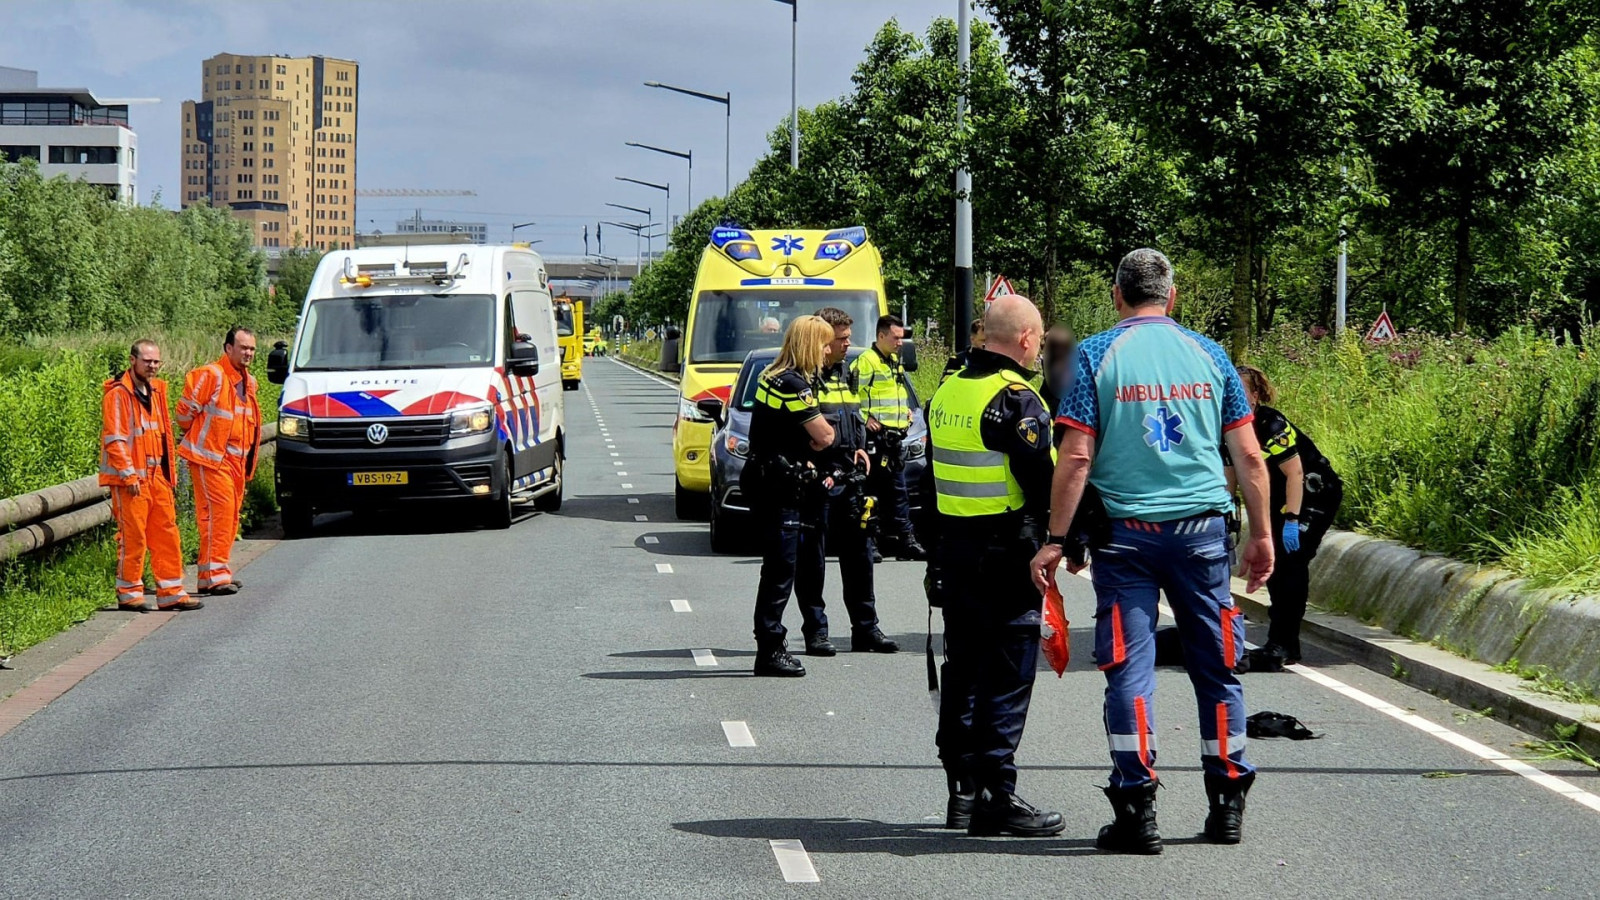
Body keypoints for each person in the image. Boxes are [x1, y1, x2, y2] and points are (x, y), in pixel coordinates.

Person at [1030, 248, 1274, 853]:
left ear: (1117, 296)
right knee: (1217, 668)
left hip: (1127, 539)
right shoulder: (1211, 355)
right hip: (1202, 535)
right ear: (1173, 295)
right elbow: (1248, 456)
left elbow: (1077, 457)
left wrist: (1057, 539)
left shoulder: (1092, 356)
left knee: (1129, 672)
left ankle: (1137, 811)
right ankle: (1227, 805)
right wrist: (1263, 534)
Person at [924, 294, 1064, 837]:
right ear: (1028, 340)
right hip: (1005, 555)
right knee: (1005, 676)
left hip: (954, 551)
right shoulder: (1016, 400)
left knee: (963, 671)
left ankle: (962, 788)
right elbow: (1046, 485)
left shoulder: (948, 388)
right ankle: (995, 796)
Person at [1228, 365, 1344, 666]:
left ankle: (1282, 645)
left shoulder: (1271, 424)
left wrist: (1292, 521)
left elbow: (1295, 474)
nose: (1234, 398)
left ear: (1255, 396)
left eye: (1241, 392)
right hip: (1276, 498)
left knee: (1290, 563)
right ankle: (1284, 644)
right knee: (1275, 564)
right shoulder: (1228, 428)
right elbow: (1230, 478)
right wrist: (1227, 514)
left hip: (1312, 493)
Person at [745, 316, 836, 677]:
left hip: (766, 478)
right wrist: (817, 438)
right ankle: (769, 649)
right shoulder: (794, 384)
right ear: (810, 344)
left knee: (778, 567)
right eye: (824, 343)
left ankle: (770, 644)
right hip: (780, 485)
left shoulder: (770, 374)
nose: (828, 350)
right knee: (781, 570)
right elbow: (825, 436)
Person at [813, 307, 898, 654]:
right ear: (823, 340)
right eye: (842, 338)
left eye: (849, 337)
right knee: (813, 561)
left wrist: (860, 447)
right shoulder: (807, 378)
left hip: (851, 479)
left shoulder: (849, 373)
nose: (849, 344)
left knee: (860, 556)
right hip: (820, 482)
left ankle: (866, 629)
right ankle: (816, 631)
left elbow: (855, 416)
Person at [102, 341, 202, 612]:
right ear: (132, 360)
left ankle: (171, 592)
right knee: (133, 537)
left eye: (156, 361)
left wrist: (169, 476)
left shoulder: (157, 391)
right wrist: (128, 475)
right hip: (131, 480)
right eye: (147, 361)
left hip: (157, 476)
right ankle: (129, 593)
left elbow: (164, 436)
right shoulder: (118, 394)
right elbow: (115, 439)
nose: (153, 366)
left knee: (167, 533)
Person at [177, 327, 262, 597]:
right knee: (220, 513)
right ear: (228, 348)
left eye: (251, 348)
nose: (248, 353)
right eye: (243, 347)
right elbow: (183, 416)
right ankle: (216, 575)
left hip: (235, 463)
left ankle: (211, 573)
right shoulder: (211, 375)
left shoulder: (249, 382)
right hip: (211, 459)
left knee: (227, 515)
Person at [851, 314, 927, 561]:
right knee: (870, 492)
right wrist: (865, 419)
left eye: (901, 339)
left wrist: (904, 413)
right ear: (881, 335)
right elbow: (850, 398)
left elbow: (895, 394)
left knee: (898, 492)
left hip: (895, 439)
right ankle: (869, 543)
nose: (899, 343)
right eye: (895, 338)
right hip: (875, 439)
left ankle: (907, 542)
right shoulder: (866, 362)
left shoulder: (894, 361)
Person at [940, 317, 986, 385]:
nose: (985, 344)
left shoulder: (995, 360)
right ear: (972, 339)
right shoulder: (957, 360)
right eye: (983, 340)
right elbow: (944, 386)